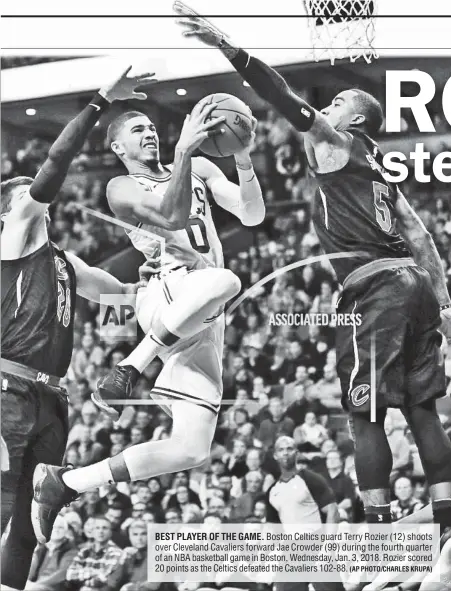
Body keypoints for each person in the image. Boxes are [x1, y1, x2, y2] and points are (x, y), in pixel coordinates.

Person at [174, 0, 451, 537]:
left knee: (364, 413)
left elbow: (285, 98)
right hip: (413, 285)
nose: (333, 101)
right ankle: (446, 521)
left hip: (376, 287)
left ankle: (376, 533)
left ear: (357, 119)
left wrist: (227, 46)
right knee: (422, 408)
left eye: (342, 99)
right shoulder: (382, 170)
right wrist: (441, 300)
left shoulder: (335, 141)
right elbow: (421, 238)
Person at [31, 84, 265, 544]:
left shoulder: (197, 166)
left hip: (202, 312)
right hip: (165, 293)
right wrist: (181, 152)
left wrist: (241, 156)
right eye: (139, 130)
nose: (150, 134)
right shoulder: (120, 186)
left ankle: (66, 483)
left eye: (154, 128)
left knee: (191, 448)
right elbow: (173, 216)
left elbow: (251, 215)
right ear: (118, 147)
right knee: (229, 280)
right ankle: (128, 369)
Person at [1, 64, 156, 590]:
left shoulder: (66, 261)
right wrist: (98, 102)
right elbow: (54, 163)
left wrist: (166, 278)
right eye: (26, 194)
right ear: (9, 213)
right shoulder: (12, 241)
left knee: (28, 521)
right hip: (9, 388)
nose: (37, 197)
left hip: (53, 398)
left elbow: (116, 295)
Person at [265, 436, 344, 591]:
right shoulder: (272, 490)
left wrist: (328, 547)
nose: (285, 453)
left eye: (289, 449)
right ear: (275, 455)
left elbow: (333, 511)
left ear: (297, 453)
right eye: (281, 450)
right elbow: (273, 527)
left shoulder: (310, 478)